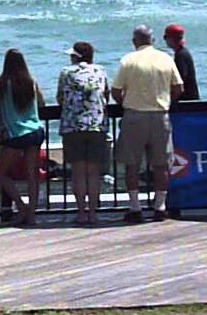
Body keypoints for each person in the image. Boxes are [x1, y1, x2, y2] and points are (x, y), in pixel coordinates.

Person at [112, 25, 184, 224]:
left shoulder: (128, 60)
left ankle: (135, 207)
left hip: (134, 115)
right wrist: (167, 100)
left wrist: (125, 102)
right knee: (161, 164)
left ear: (135, 41)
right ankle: (160, 206)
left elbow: (116, 90)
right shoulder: (165, 59)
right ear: (153, 40)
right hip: (160, 114)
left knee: (132, 163)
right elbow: (178, 87)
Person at [0, 49, 44, 226]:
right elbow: (40, 102)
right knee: (32, 175)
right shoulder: (31, 82)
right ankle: (31, 214)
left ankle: (21, 206)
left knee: (0, 173)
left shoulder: (3, 83)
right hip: (36, 130)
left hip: (16, 133)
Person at [56, 43, 110, 226]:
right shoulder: (101, 71)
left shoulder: (66, 73)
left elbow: (60, 98)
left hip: (73, 127)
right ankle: (93, 213)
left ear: (76, 57)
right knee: (93, 172)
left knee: (78, 172)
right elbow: (106, 96)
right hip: (96, 126)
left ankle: (81, 212)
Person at [164, 25, 199, 101]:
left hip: (186, 101)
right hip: (192, 98)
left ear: (171, 38)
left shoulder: (180, 55)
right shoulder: (183, 52)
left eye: (165, 37)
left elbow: (180, 80)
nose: (165, 40)